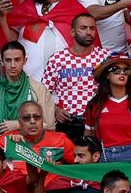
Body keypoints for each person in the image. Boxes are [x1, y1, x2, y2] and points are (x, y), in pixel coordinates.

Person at [40, 13, 108, 141]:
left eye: (92, 28)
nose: (88, 32)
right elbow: (42, 92)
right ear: (72, 32)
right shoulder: (57, 59)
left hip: (97, 120)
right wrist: (55, 109)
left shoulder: (104, 57)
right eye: (83, 28)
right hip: (67, 122)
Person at [0, 42, 56, 146]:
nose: (13, 65)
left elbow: (49, 126)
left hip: (32, 150)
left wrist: (18, 124)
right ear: (1, 62)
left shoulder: (38, 89)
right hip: (0, 150)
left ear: (25, 61)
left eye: (17, 60)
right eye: (8, 60)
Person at [84, 56, 131, 165]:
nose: (122, 73)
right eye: (116, 70)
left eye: (126, 70)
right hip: (104, 157)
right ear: (107, 75)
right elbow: (88, 139)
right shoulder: (95, 104)